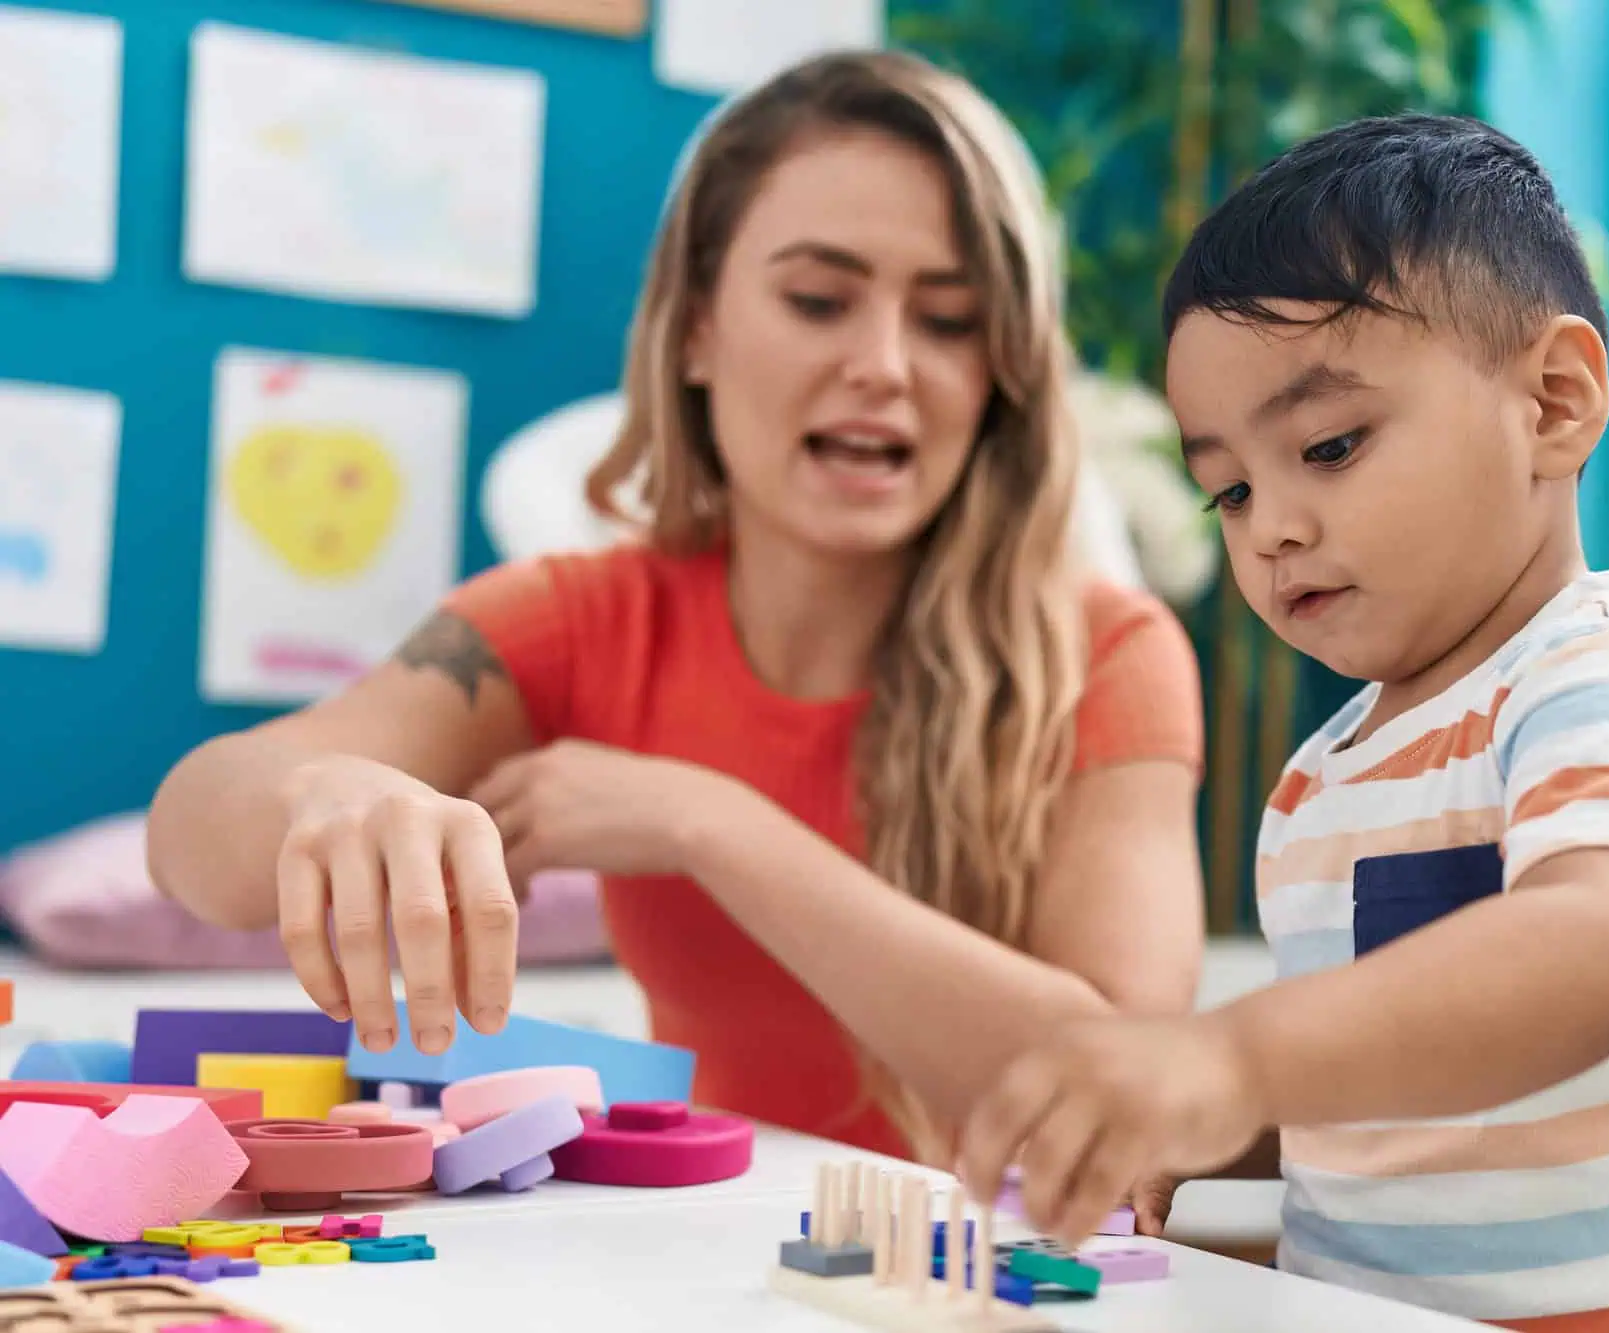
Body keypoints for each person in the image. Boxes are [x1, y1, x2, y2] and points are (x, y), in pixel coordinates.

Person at [147, 50, 1208, 1166]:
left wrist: (710, 824)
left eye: (948, 319)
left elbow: (1126, 1084)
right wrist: (325, 785)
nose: (885, 364)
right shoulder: (578, 618)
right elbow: (196, 851)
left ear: (1002, 369)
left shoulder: (1110, 654)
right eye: (817, 301)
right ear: (696, 325)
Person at [958, 114, 1609, 1331]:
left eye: (1329, 446)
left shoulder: (1595, 683)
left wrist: (1230, 1054)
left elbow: (1592, 953)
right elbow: (1388, 1110)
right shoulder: (1321, 778)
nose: (1271, 527)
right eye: (1230, 491)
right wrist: (1213, 1123)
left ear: (1553, 404)